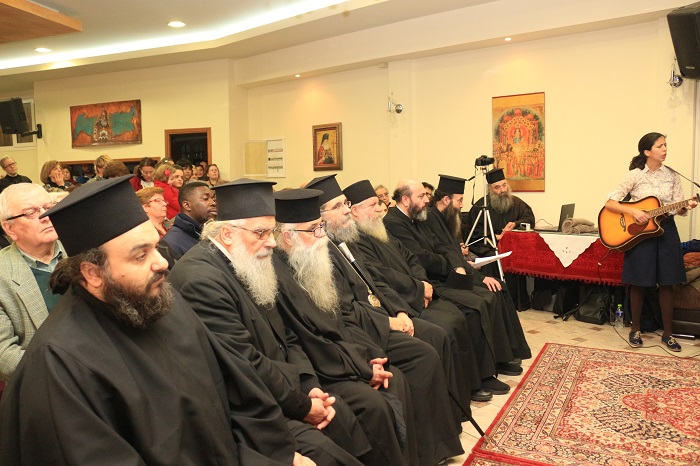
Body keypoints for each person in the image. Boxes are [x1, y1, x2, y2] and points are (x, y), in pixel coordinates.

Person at [0, 176, 309, 465]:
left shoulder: (160, 301)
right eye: (140, 256)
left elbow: (236, 392)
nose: (161, 263)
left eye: (156, 247)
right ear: (93, 273)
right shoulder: (59, 364)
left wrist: (278, 453)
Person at [169, 179, 370, 465]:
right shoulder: (201, 281)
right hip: (250, 411)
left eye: (271, 231)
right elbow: (246, 363)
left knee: (344, 418)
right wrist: (303, 405)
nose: (273, 242)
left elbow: (286, 336)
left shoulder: (247, 260)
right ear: (227, 233)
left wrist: (309, 385)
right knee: (328, 450)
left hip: (282, 389)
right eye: (261, 232)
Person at [305, 175, 465, 466]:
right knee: (423, 354)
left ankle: (440, 437)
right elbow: (345, 309)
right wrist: (387, 323)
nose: (347, 209)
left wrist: (399, 311)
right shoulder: (318, 253)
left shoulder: (343, 241)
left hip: (381, 315)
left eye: (346, 203)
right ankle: (426, 450)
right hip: (365, 330)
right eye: (338, 206)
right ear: (320, 217)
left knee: (433, 339)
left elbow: (374, 282)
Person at [343, 179, 502, 403]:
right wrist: (418, 288)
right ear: (355, 211)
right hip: (402, 298)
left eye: (378, 203)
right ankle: (455, 396)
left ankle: (468, 385)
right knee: (447, 326)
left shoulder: (380, 230)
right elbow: (381, 275)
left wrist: (423, 282)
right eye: (373, 205)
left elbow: (410, 258)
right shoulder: (356, 240)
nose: (380, 208)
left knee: (457, 316)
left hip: (417, 290)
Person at [384, 178, 531, 377]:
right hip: (430, 281)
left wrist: (457, 265)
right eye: (422, 196)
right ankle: (485, 372)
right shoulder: (395, 222)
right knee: (478, 305)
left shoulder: (416, 217)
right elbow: (420, 258)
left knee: (492, 293)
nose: (427, 200)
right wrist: (452, 266)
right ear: (406, 200)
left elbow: (441, 246)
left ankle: (502, 357)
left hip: (441, 274)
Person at [604, 132, 698, 352]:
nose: (665, 149)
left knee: (667, 283)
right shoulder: (635, 175)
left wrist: (686, 206)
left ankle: (668, 334)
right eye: (660, 146)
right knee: (639, 282)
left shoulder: (672, 175)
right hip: (641, 234)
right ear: (647, 151)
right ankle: (635, 330)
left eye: (665, 145)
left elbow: (678, 206)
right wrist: (634, 212)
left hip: (667, 230)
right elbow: (610, 203)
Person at [0, 184, 64, 381]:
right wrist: (68, 370)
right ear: (10, 228)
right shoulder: (3, 274)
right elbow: (4, 356)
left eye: (49, 207)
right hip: (45, 382)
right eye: (31, 213)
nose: (46, 216)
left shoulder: (83, 250)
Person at [463, 168, 535, 309]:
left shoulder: (517, 203)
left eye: (504, 185)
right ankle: (497, 302)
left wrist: (515, 224)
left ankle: (517, 302)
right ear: (490, 189)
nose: (502, 190)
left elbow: (529, 219)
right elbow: (471, 231)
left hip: (511, 247)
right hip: (487, 247)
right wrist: (494, 237)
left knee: (516, 255)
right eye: (497, 187)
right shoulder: (480, 206)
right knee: (494, 257)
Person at [162, 181, 217, 258]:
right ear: (187, 205)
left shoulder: (210, 232)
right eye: (206, 199)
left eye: (213, 199)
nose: (213, 203)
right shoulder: (171, 243)